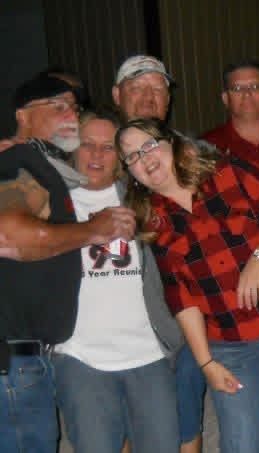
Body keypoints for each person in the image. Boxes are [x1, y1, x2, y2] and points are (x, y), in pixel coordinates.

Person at [116, 118, 259, 453]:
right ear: (130, 172)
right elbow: (181, 297)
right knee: (241, 444)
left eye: (149, 145)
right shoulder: (152, 222)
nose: (144, 158)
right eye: (132, 156)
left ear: (171, 143)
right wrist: (206, 363)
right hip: (231, 343)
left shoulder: (226, 172)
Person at [0, 73, 134, 453]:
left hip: (24, 358)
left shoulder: (42, 165)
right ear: (22, 115)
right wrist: (93, 230)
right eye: (57, 106)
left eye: (74, 108)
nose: (71, 116)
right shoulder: (19, 160)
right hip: (13, 361)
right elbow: (7, 235)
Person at [51, 108, 182, 453]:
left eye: (107, 146)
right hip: (80, 356)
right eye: (87, 144)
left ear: (121, 157)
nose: (96, 154)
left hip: (148, 352)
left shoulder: (144, 200)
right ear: (73, 149)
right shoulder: (52, 203)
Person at [112, 54, 205, 453]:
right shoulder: (96, 158)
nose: (149, 97)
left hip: (182, 322)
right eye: (137, 88)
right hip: (117, 330)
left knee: (185, 425)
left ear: (168, 99)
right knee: (125, 429)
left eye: (157, 88)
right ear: (117, 96)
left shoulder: (193, 156)